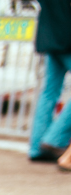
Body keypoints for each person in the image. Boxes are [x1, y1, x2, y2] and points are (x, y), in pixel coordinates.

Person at [29, 0, 71, 162]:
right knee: (49, 91)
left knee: (49, 91)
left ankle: (37, 147)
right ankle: (54, 139)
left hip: (49, 36)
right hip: (67, 37)